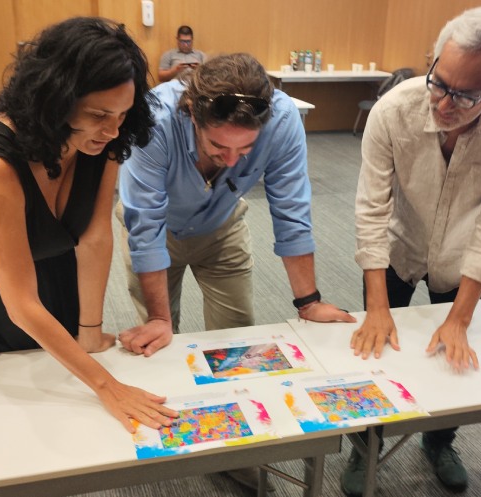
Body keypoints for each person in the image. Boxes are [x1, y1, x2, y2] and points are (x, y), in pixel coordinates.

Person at [0, 17, 177, 433]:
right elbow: (20, 302)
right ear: (55, 101)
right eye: (99, 114)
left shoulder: (105, 139)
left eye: (122, 113)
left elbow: (94, 236)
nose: (113, 129)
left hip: (48, 263)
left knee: (49, 386)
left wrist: (90, 330)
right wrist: (108, 386)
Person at [344, 5, 481, 495]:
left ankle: (440, 441)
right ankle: (365, 445)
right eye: (439, 82)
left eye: (464, 95)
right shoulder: (393, 111)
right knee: (375, 349)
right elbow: (371, 209)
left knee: (452, 355)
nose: (442, 103)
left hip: (464, 254)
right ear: (433, 62)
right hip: (399, 245)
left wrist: (459, 317)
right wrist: (377, 306)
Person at [117, 52, 355, 357]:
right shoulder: (153, 119)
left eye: (245, 149)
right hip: (156, 229)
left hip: (222, 225)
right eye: (218, 145)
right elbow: (146, 224)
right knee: (157, 340)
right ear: (193, 115)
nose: (231, 161)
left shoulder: (281, 119)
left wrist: (309, 303)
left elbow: (291, 211)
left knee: (237, 340)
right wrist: (159, 320)